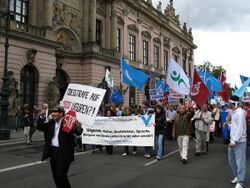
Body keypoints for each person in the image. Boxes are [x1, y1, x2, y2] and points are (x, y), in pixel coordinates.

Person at [37, 106, 83, 188]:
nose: (53, 114)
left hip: (64, 152)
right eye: (52, 112)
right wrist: (41, 116)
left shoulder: (68, 122)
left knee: (61, 174)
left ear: (61, 113)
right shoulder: (51, 122)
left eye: (55, 112)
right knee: (55, 175)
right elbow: (41, 127)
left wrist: (78, 127)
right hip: (53, 151)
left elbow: (78, 132)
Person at [228, 96, 247, 188]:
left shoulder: (240, 113)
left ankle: (240, 182)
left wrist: (234, 141)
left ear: (233, 103)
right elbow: (235, 126)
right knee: (231, 161)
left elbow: (240, 128)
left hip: (239, 141)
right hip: (233, 140)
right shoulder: (234, 112)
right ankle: (237, 176)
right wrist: (228, 124)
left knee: (240, 162)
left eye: (230, 102)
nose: (228, 104)